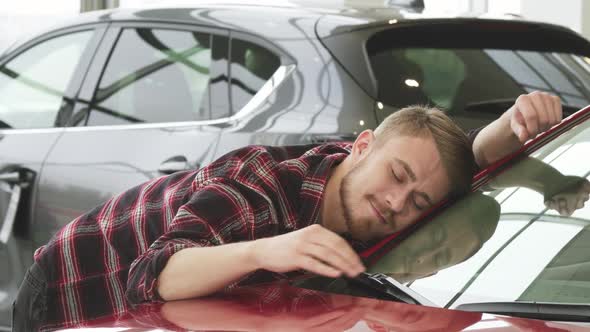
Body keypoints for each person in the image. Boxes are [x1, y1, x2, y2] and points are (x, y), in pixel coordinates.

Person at [13, 91, 562, 331]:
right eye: (396, 177)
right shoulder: (258, 189)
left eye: (419, 202)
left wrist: (511, 130)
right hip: (75, 284)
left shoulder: (408, 185)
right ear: (362, 145)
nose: (398, 203)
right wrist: (271, 248)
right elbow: (150, 278)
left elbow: (459, 163)